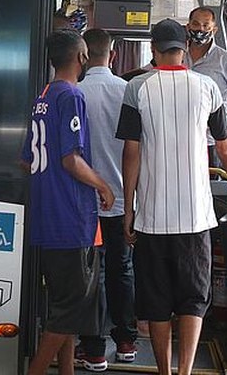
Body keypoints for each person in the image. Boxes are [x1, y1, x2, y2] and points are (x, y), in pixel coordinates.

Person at [115, 19, 227, 375]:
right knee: (193, 300)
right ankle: (185, 371)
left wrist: (129, 210)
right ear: (185, 46)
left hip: (152, 218)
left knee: (155, 302)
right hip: (196, 218)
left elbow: (132, 153)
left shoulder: (137, 88)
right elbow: (224, 147)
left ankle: (164, 372)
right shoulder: (208, 87)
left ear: (153, 50)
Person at [21, 30, 114, 375]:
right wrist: (102, 185)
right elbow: (70, 159)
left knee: (64, 307)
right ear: (80, 58)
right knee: (69, 310)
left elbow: (26, 159)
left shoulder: (42, 97)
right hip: (71, 219)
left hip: (46, 217)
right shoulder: (71, 96)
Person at [74, 29, 137, 371]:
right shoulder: (127, 92)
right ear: (112, 56)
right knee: (122, 269)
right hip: (122, 200)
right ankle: (126, 341)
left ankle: (93, 348)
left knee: (92, 275)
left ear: (83, 55)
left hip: (85, 202)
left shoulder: (76, 94)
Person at [183, 7, 227, 141]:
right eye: (196, 24)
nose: (200, 30)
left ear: (214, 29)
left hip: (212, 141)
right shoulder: (177, 55)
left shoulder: (226, 60)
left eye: (206, 25)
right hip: (181, 138)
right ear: (188, 27)